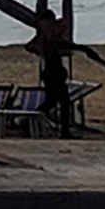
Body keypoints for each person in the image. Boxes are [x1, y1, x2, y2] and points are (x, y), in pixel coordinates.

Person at [33, 9, 74, 139]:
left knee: (54, 101)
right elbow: (56, 46)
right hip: (53, 74)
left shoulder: (46, 35)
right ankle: (64, 132)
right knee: (61, 102)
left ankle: (33, 117)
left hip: (52, 74)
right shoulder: (47, 36)